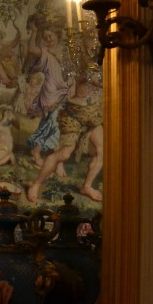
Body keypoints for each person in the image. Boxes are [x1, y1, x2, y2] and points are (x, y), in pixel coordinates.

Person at [26, 68, 104, 203]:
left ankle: (86, 186)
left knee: (101, 150)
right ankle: (36, 184)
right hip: (74, 113)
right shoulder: (85, 62)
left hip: (92, 115)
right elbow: (84, 76)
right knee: (64, 154)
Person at [24, 20, 68, 171]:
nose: (48, 39)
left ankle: (39, 152)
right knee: (55, 124)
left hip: (62, 91)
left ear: (57, 35)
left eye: (51, 36)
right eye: (46, 37)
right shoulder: (45, 53)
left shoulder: (65, 51)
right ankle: (56, 160)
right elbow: (31, 49)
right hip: (50, 92)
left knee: (50, 124)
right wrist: (34, 33)